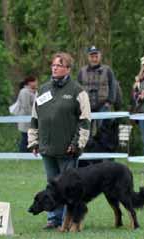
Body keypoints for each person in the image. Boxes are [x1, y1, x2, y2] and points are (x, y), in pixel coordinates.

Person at [28, 52, 91, 229]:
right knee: (51, 186)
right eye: (53, 65)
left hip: (67, 150)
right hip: (47, 148)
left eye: (59, 65)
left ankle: (69, 221)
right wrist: (33, 141)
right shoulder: (43, 90)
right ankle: (53, 219)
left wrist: (77, 144)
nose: (54, 68)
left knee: (69, 189)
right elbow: (34, 118)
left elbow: (85, 120)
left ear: (68, 69)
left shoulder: (78, 91)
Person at [13, 76, 38, 152]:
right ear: (30, 82)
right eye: (35, 81)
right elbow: (26, 106)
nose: (36, 83)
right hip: (25, 119)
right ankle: (22, 154)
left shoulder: (32, 91)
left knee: (29, 137)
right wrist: (33, 115)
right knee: (25, 137)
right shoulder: (24, 91)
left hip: (30, 119)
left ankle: (28, 153)